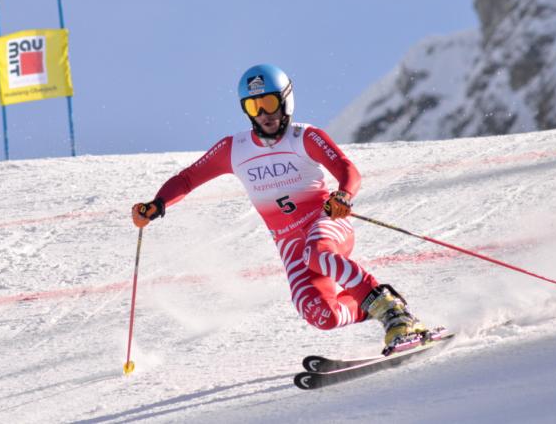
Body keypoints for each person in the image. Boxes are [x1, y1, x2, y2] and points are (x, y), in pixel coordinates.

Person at [132, 64, 425, 348]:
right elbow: (187, 178)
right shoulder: (234, 149)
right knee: (320, 314)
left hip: (327, 222)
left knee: (317, 252)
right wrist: (157, 204)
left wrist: (343, 196)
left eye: (270, 102)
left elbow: (347, 169)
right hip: (289, 243)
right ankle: (376, 303)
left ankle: (392, 313)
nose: (263, 114)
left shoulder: (304, 137)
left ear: (286, 100)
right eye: (253, 107)